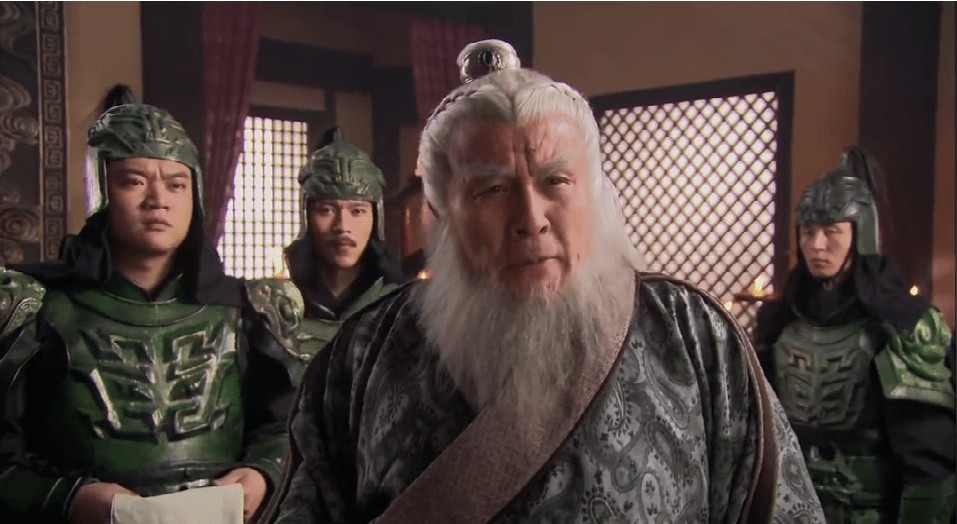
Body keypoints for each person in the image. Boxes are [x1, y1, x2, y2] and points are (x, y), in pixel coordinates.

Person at [262, 40, 824, 523]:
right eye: (492, 189)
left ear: (593, 193)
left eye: (556, 180)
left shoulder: (693, 334)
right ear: (440, 212)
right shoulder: (364, 353)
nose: (530, 218)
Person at [0, 86, 303, 524]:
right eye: (134, 181)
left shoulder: (247, 311)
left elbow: (288, 426)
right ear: (101, 190)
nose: (158, 199)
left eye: (176, 184)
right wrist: (73, 498)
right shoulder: (35, 310)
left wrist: (262, 473)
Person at [753, 147, 956, 523]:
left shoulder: (903, 325)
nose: (817, 245)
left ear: (860, 235)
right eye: (808, 231)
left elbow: (929, 464)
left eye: (832, 231)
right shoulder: (778, 323)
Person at [282, 127, 405, 383]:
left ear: (376, 218)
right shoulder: (278, 309)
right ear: (306, 216)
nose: (342, 226)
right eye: (326, 210)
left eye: (357, 211)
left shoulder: (399, 309)